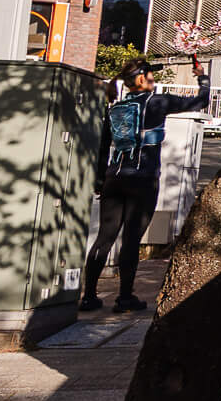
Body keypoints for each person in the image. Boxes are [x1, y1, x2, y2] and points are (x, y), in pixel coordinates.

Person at [84, 56, 210, 313]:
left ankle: (88, 296)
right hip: (143, 180)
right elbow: (200, 100)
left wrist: (100, 179)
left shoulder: (116, 107)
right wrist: (202, 77)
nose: (154, 81)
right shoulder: (157, 102)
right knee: (131, 240)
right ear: (141, 78)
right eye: (151, 76)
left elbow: (101, 148)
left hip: (114, 179)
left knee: (104, 238)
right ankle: (125, 297)